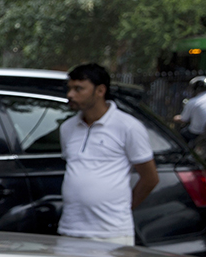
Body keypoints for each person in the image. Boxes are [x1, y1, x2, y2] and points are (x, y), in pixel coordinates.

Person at [58, 63, 158, 246]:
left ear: (100, 90)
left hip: (111, 232)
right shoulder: (67, 128)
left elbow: (150, 178)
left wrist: (123, 209)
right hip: (70, 229)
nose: (70, 95)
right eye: (70, 88)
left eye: (78, 89)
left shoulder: (128, 126)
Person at [173, 75, 206, 144]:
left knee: (182, 137)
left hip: (198, 133)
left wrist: (175, 118)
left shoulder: (192, 102)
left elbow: (184, 119)